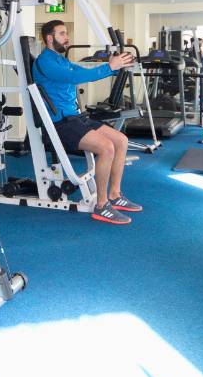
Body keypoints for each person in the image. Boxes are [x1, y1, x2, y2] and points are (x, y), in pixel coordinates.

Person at [32, 20, 138, 225]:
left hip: (75, 118)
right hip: (60, 124)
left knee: (121, 140)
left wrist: (118, 67)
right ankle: (101, 205)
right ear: (49, 38)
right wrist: (109, 66)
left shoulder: (61, 60)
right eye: (62, 34)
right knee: (106, 148)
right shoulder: (45, 62)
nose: (67, 37)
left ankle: (115, 195)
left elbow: (81, 70)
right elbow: (79, 76)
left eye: (66, 33)